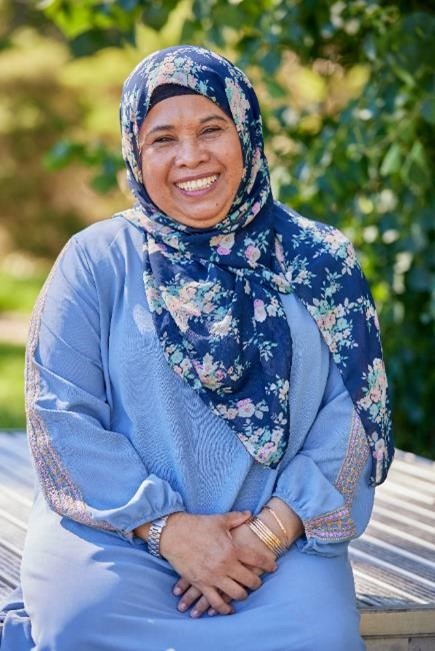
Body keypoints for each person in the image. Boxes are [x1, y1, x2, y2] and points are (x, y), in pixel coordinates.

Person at [0, 45, 394, 651]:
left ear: (248, 136)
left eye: (212, 129)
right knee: (81, 625)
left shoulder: (319, 262)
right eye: (163, 139)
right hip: (118, 533)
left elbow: (352, 419)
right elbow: (61, 417)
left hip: (278, 546)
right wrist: (168, 530)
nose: (191, 157)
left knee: (319, 637)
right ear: (136, 151)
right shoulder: (95, 260)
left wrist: (264, 537)